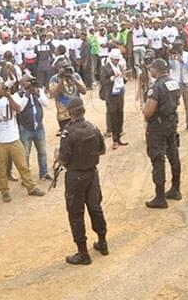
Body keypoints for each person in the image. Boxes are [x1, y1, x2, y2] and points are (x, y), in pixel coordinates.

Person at [56, 97, 108, 265]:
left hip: (75, 177)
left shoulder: (68, 132)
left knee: (76, 214)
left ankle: (83, 253)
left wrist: (56, 155)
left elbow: (63, 160)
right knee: (95, 208)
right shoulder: (93, 127)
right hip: (92, 174)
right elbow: (102, 150)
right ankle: (102, 242)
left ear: (71, 113)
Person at [0, 77, 46, 203]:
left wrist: (8, 96)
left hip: (13, 137)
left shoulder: (12, 97)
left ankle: (31, 187)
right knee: (1, 168)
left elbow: (18, 109)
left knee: (22, 165)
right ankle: (4, 191)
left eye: (0, 86)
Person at [142, 59, 182, 209]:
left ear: (156, 70)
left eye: (152, 69)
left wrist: (144, 111)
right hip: (171, 123)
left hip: (157, 128)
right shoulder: (173, 82)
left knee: (158, 159)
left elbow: (148, 111)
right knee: (174, 156)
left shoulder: (156, 86)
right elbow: (177, 101)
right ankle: (176, 189)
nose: (150, 71)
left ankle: (160, 197)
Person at [14, 74, 52, 181]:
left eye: (31, 81)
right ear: (22, 83)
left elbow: (46, 103)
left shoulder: (38, 91)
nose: (30, 83)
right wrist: (26, 95)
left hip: (39, 127)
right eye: (27, 81)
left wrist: (38, 94)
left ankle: (44, 173)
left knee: (42, 152)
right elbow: (20, 108)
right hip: (26, 128)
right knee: (25, 154)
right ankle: (26, 177)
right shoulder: (18, 95)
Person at [99, 49, 129, 149]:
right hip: (111, 95)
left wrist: (124, 79)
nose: (117, 61)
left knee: (120, 115)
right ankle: (114, 140)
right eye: (115, 59)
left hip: (120, 93)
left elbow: (122, 80)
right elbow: (103, 81)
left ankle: (119, 137)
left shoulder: (119, 66)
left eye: (118, 59)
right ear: (111, 58)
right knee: (113, 117)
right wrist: (112, 77)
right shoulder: (105, 68)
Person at [49, 58, 86, 130]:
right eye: (63, 67)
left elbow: (84, 91)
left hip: (78, 112)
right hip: (64, 114)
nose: (66, 68)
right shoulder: (54, 79)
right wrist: (62, 79)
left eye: (68, 66)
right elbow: (54, 94)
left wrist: (74, 79)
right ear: (58, 68)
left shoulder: (76, 76)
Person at [168, 40, 188, 132]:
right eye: (177, 46)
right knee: (173, 105)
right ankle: (172, 125)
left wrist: (181, 60)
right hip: (175, 84)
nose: (179, 48)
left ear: (183, 46)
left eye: (180, 46)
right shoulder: (172, 56)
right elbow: (171, 67)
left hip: (186, 83)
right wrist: (172, 57)